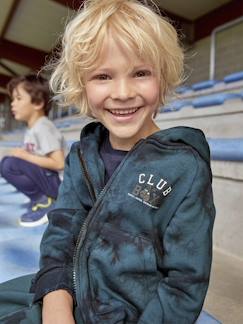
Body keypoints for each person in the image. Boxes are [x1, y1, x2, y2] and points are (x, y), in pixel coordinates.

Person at [0, 0, 215, 323]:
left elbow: (185, 283)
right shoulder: (81, 154)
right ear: (82, 86)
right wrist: (56, 306)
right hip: (68, 292)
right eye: (103, 76)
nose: (123, 92)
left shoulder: (184, 166)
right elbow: (61, 235)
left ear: (163, 76)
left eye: (140, 73)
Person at [0, 74, 65, 227]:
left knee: (9, 164)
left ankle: (45, 202)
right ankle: (41, 197)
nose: (12, 104)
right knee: (9, 163)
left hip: (61, 186)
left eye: (18, 98)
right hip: (51, 181)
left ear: (38, 103)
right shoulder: (33, 129)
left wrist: (24, 156)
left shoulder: (44, 127)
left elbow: (59, 163)